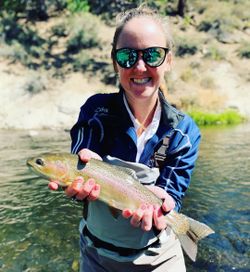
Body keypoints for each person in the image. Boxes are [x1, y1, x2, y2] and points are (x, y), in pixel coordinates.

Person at [49, 5, 201, 272]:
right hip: (96, 255)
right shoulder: (96, 111)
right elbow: (80, 163)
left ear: (168, 60)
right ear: (114, 60)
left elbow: (173, 194)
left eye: (153, 54)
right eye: (127, 55)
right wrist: (78, 189)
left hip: (159, 257)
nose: (140, 66)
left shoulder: (184, 132)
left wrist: (164, 205)